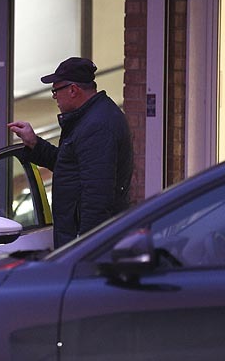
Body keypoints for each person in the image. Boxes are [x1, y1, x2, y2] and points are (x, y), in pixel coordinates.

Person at [8, 56, 133, 247]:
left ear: (73, 90)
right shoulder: (89, 118)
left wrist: (84, 248)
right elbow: (69, 167)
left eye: (56, 91)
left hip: (83, 243)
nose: (54, 97)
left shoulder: (97, 126)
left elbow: (97, 196)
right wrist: (34, 143)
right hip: (77, 236)